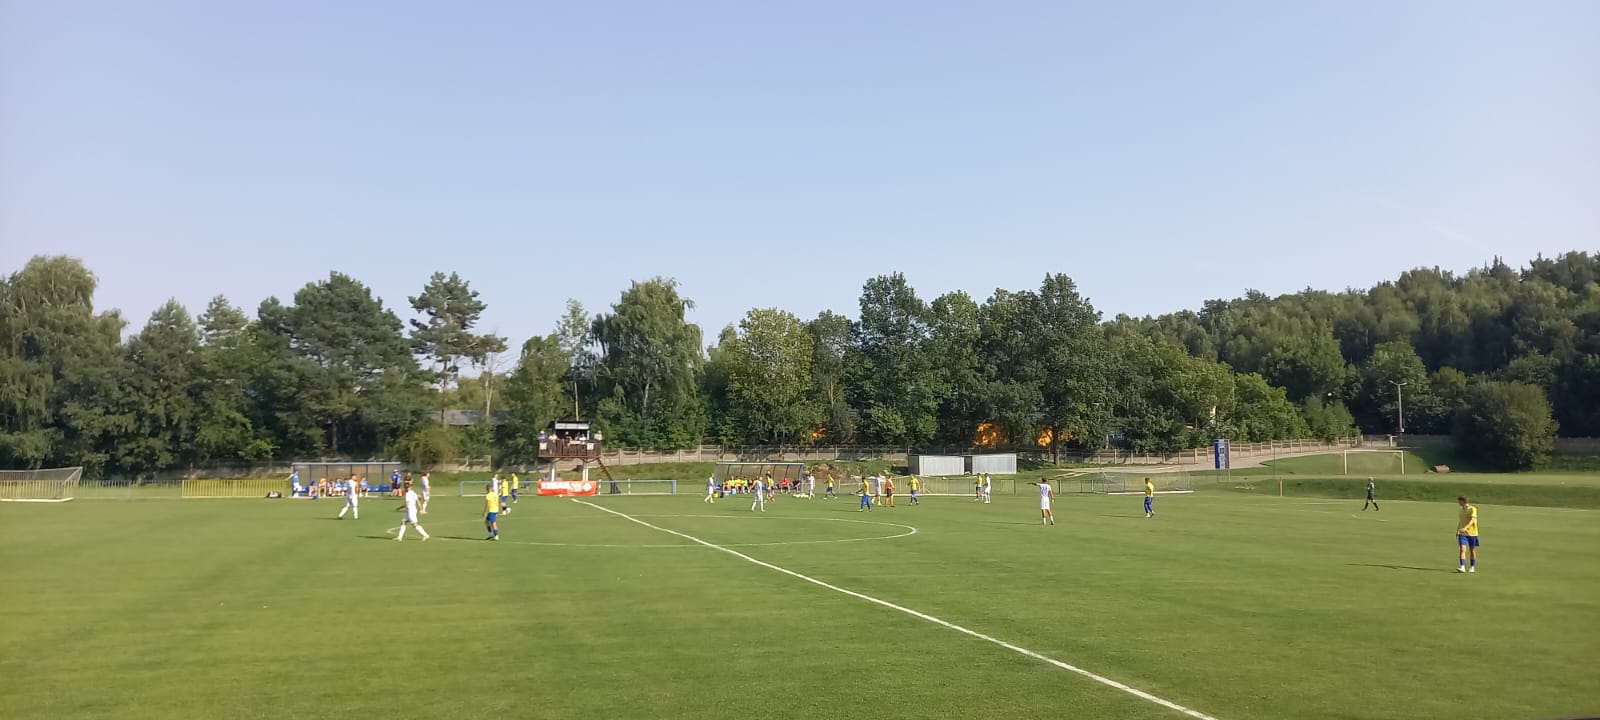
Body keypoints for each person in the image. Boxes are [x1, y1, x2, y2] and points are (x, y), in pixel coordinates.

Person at [1456, 496, 1479, 573]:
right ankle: (1462, 566)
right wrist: (1458, 530)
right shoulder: (1461, 510)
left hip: (1472, 533)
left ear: (1463, 501)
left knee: (1472, 550)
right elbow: (1461, 521)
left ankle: (1472, 567)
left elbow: (1472, 520)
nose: (1458, 503)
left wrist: (1466, 528)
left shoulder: (1472, 509)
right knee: (1462, 549)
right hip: (1463, 533)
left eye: (1459, 501)